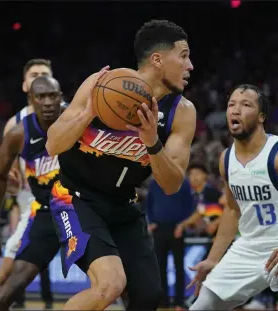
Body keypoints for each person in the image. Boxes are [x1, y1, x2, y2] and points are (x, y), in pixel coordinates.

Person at [45, 19, 196, 310]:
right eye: (185, 56)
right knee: (110, 285)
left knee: (149, 297)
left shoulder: (182, 112)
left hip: (124, 206)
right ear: (158, 59)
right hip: (76, 198)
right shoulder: (101, 86)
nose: (190, 66)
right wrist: (88, 113)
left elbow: (171, 184)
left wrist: (152, 142)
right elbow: (53, 144)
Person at [188, 84, 278, 310]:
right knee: (204, 302)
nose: (235, 110)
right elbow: (233, 211)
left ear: (261, 116)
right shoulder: (226, 159)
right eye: (231, 104)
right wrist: (213, 259)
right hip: (249, 247)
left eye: (246, 105)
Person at [0, 76, 63, 311]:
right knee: (13, 281)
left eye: (52, 96)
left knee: (121, 282)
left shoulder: (76, 118)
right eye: (41, 97)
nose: (47, 102)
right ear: (30, 100)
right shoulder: (18, 134)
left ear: (61, 98)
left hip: (84, 210)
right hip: (48, 212)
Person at [0, 58, 55, 309]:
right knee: (12, 257)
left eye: (44, 73)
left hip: (71, 198)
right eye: (34, 74)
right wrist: (11, 180)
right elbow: (6, 179)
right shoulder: (14, 125)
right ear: (24, 85)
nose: (39, 77)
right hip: (33, 201)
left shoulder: (68, 112)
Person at [145, 177, 194, 309]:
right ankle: (163, 300)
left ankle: (179, 300)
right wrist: (151, 221)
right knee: (160, 266)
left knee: (179, 267)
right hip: (159, 228)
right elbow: (149, 203)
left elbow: (189, 206)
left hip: (177, 228)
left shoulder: (183, 183)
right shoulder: (155, 183)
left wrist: (182, 225)